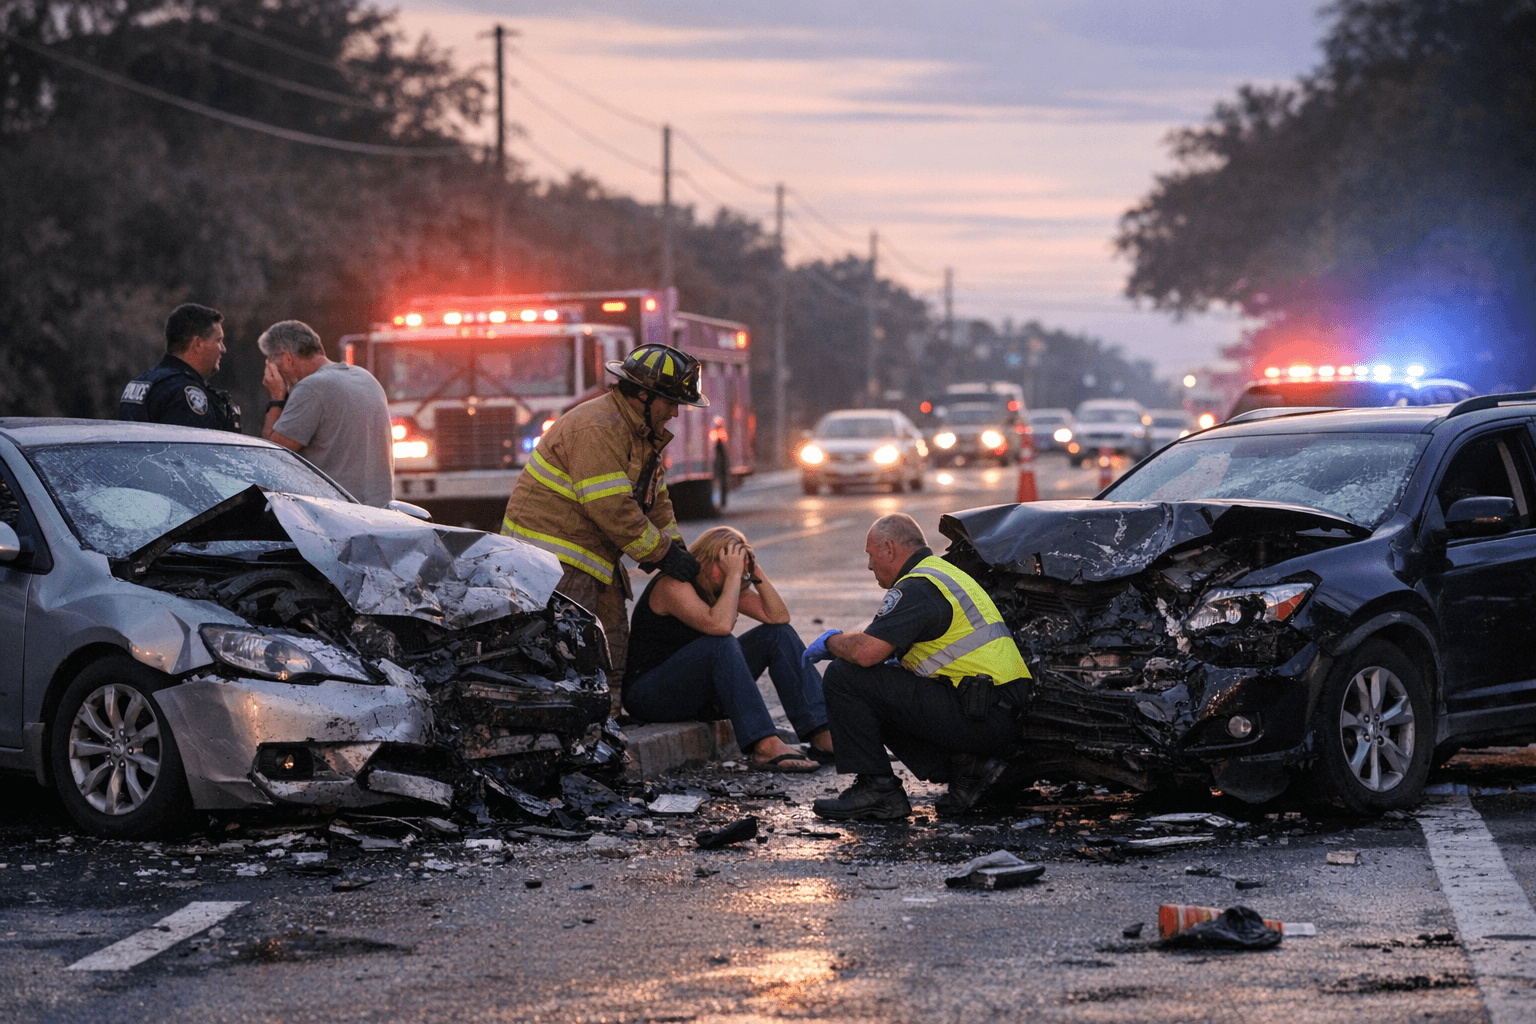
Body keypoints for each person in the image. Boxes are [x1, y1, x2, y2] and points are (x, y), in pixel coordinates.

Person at [501, 343, 705, 690]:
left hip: (590, 558)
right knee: (571, 655)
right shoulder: (596, 427)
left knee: (609, 649)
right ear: (642, 395)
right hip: (554, 564)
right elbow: (611, 508)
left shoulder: (638, 434)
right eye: (670, 402)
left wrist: (678, 549)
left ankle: (607, 727)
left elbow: (654, 500)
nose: (674, 413)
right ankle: (583, 733)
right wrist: (663, 554)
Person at [803, 513, 1032, 820]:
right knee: (885, 683)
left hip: (984, 714)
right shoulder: (942, 574)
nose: (870, 565)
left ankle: (878, 789)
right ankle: (968, 768)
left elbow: (867, 652)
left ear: (888, 548)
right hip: (995, 712)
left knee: (846, 676)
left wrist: (831, 642)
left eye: (871, 556)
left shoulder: (919, 586)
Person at [624, 526, 832, 772]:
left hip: (697, 693)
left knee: (778, 635)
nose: (728, 573)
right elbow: (720, 626)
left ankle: (823, 736)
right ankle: (765, 746)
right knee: (720, 643)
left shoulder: (721, 584)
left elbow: (778, 617)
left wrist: (752, 570)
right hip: (650, 695)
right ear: (703, 558)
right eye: (723, 566)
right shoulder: (674, 584)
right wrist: (734, 576)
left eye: (734, 567)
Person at [258, 319, 394, 508]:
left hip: (335, 517)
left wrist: (276, 398)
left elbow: (273, 452)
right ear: (319, 347)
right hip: (379, 511)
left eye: (276, 367)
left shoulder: (311, 388)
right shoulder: (365, 377)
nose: (278, 375)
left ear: (287, 359)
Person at [119, 303, 241, 431]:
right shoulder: (184, 391)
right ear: (198, 344)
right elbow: (195, 449)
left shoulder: (140, 382)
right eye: (218, 340)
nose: (223, 349)